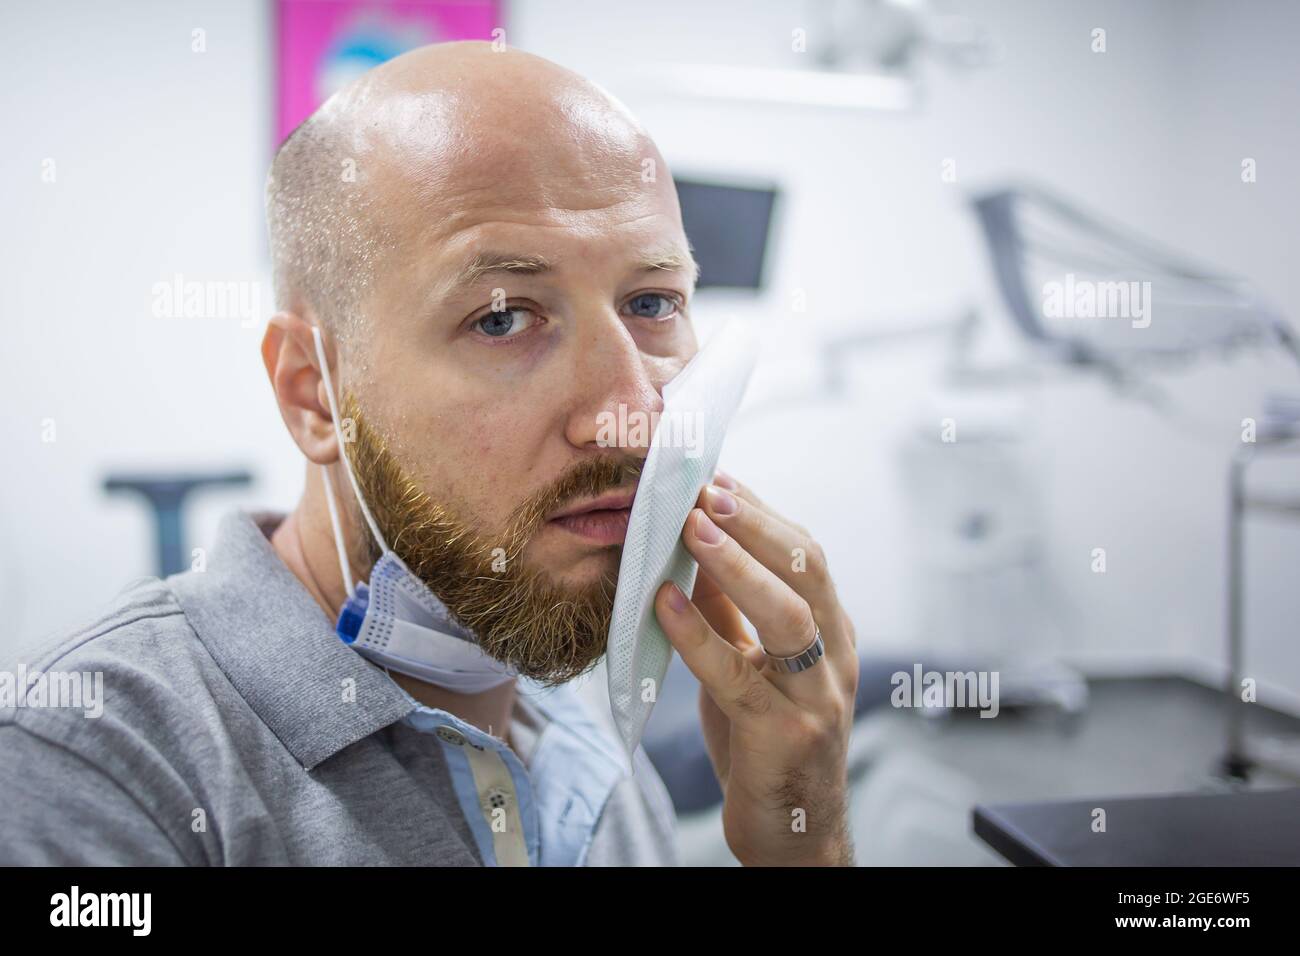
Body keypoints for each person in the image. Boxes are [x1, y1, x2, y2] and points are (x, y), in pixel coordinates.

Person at [0, 41, 858, 866]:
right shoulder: (85, 767)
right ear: (312, 391)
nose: (632, 414)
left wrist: (805, 850)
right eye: (501, 317)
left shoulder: (596, 759)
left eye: (652, 302)